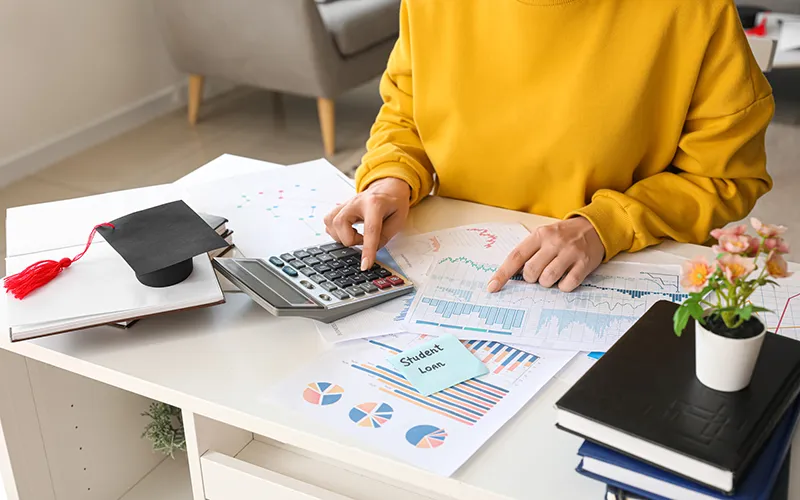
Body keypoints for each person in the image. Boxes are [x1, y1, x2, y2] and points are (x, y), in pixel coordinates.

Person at [323, 0, 774, 294]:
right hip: (447, 265)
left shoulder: (694, 12)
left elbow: (725, 176)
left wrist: (606, 226)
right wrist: (390, 180)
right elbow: (406, 112)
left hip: (605, 275)